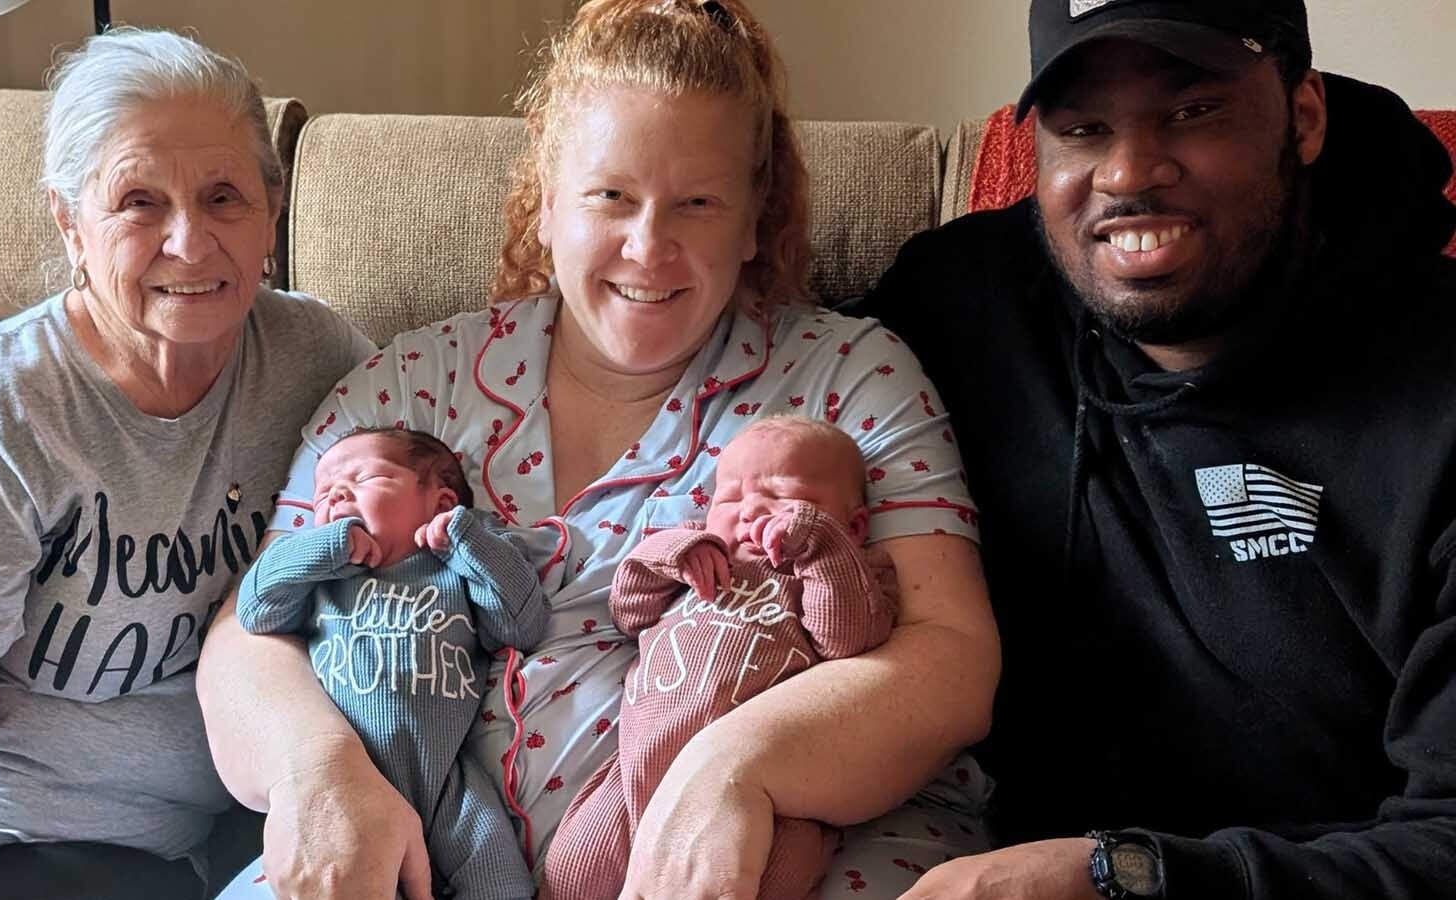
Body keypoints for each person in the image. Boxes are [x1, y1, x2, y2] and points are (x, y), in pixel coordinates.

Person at [198, 2, 1001, 898]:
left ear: (751, 220)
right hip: (414, 844)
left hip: (779, 848)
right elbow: (247, 635)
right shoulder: (405, 384)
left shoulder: (852, 375)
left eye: (697, 202)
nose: (649, 247)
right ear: (547, 204)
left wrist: (735, 765)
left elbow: (950, 657)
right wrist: (321, 772)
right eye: (611, 195)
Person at [854, 1, 1456, 897]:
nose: (1130, 170)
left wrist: (1123, 877)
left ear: (1304, 114)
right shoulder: (962, 303)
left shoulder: (1437, 388)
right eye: (1084, 128)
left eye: (1194, 111)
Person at [0, 27, 376, 900]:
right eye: (140, 201)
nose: (189, 242)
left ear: (271, 212)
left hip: (209, 834)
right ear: (70, 222)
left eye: (223, 198)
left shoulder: (315, 356)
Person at [544, 416, 898, 900]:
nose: (751, 512)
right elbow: (630, 609)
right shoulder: (699, 553)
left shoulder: (848, 571)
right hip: (637, 768)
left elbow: (848, 641)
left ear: (854, 526)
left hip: (767, 790)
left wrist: (819, 544)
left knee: (771, 880)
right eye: (730, 499)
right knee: (573, 870)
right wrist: (676, 551)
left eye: (788, 499)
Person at [236, 427, 549, 900]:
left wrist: (465, 539)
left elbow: (521, 624)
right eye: (324, 493)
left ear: (441, 504)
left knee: (500, 879)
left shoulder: (458, 567)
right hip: (344, 779)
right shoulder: (323, 576)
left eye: (364, 478)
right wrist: (322, 549)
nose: (337, 493)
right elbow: (255, 609)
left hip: (446, 777)